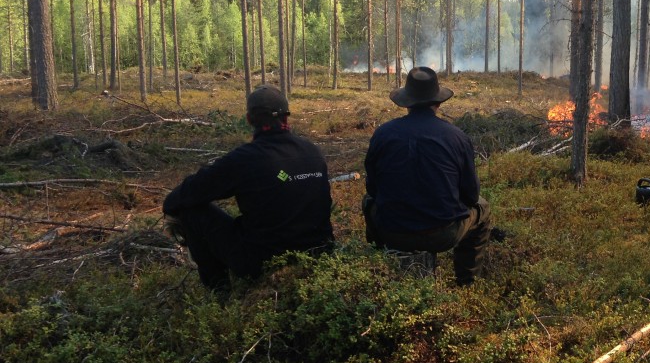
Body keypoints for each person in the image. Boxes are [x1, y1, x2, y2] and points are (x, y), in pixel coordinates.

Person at [163, 85, 334, 292]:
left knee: (191, 211)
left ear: (249, 120)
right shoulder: (312, 151)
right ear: (286, 118)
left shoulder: (244, 159)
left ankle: (219, 291)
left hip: (261, 261)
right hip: (320, 253)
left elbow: (186, 194)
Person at [363, 67, 491, 285]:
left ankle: (380, 267)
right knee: (483, 208)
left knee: (368, 203)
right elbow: (471, 196)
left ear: (406, 102)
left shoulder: (383, 134)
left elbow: (373, 189)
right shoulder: (457, 137)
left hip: (391, 231)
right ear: (438, 102)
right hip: (442, 234)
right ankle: (467, 283)